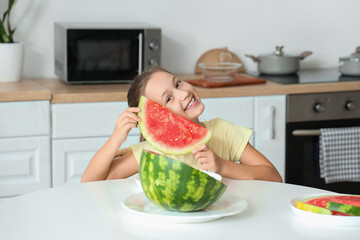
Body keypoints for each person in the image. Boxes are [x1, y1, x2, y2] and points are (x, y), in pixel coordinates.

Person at [81, 66, 282, 183]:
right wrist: (116, 138)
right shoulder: (152, 152)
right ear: (157, 117)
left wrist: (223, 166)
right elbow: (89, 184)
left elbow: (274, 177)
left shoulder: (223, 131)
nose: (183, 93)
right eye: (168, 99)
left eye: (177, 84)